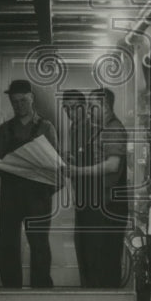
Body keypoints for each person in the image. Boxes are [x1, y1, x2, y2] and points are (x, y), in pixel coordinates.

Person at [0, 79, 57, 288]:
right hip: (11, 194)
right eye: (15, 102)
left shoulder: (46, 127)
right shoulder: (5, 130)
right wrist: (11, 166)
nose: (19, 105)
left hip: (38, 195)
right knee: (7, 243)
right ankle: (11, 290)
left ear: (32, 99)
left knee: (39, 244)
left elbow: (54, 164)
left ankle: (41, 290)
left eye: (23, 101)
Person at [70, 87, 129, 288]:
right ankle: (93, 299)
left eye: (92, 106)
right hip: (96, 204)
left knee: (104, 261)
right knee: (91, 258)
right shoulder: (100, 130)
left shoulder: (113, 129)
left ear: (104, 107)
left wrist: (78, 171)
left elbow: (112, 165)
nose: (88, 111)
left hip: (108, 207)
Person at [60, 89, 89, 286]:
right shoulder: (74, 128)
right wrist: (69, 159)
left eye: (74, 108)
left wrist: (75, 167)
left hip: (93, 197)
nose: (70, 113)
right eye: (67, 109)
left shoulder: (91, 128)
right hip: (80, 195)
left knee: (88, 247)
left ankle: (94, 292)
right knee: (82, 244)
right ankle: (87, 288)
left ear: (84, 107)